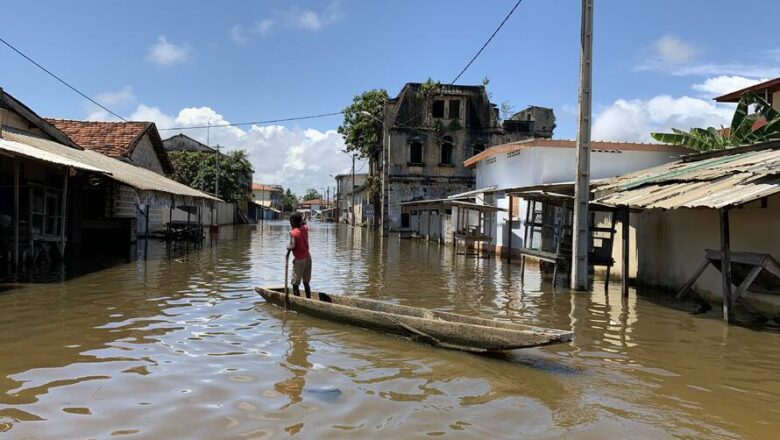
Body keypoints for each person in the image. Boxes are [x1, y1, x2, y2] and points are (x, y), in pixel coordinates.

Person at [286, 212, 311, 298]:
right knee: (306, 282)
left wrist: (288, 247)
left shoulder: (293, 232)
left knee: (295, 283)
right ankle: (308, 299)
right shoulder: (304, 228)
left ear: (292, 222)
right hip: (308, 257)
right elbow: (304, 223)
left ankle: (297, 301)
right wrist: (302, 220)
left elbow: (293, 245)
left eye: (290, 221)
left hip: (300, 259)